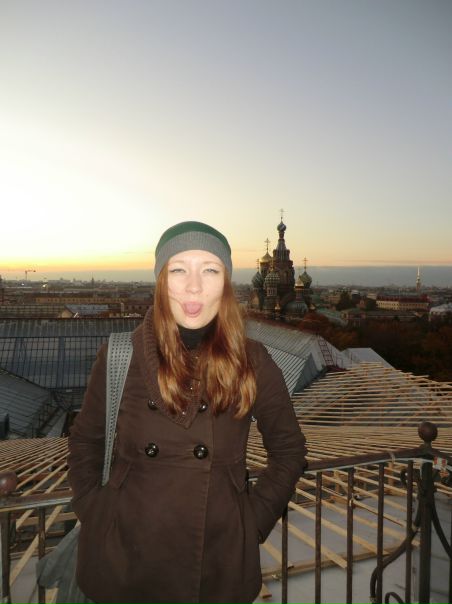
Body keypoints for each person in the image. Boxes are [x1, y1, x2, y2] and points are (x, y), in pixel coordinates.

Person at [68, 220, 307, 604]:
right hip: (124, 560)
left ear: (225, 283)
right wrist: (97, 512)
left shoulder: (253, 361)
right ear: (161, 281)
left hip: (216, 561)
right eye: (179, 270)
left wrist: (250, 523)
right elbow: (86, 441)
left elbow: (289, 450)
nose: (194, 286)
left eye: (209, 270)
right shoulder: (120, 356)